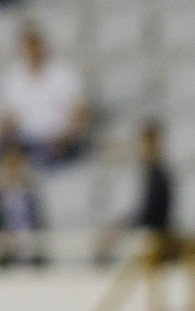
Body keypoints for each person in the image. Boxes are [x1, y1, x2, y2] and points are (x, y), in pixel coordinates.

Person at [2, 24, 89, 166]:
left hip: (59, 140)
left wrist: (67, 135)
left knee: (51, 155)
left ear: (43, 46)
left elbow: (79, 111)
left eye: (34, 46)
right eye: (26, 48)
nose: (31, 52)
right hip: (27, 142)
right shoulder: (14, 77)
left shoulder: (63, 72)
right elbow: (11, 117)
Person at [100, 120, 177, 265]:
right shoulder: (150, 173)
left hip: (155, 236)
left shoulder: (159, 175)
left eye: (145, 144)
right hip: (149, 233)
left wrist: (121, 228)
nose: (142, 149)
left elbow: (151, 214)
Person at [0, 142, 45, 266]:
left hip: (29, 238)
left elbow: (37, 221)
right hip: (6, 241)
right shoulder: (2, 195)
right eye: (9, 165)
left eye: (16, 165)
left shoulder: (30, 193)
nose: (13, 170)